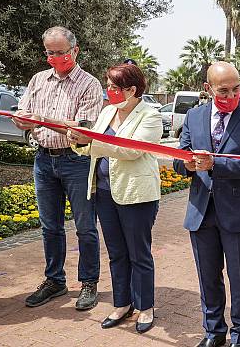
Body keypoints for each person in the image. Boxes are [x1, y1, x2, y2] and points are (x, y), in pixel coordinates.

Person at [173, 61, 240, 347]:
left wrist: (215, 163)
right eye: (223, 91)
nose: (230, 96)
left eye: (236, 89)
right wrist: (187, 165)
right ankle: (213, 333)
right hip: (201, 212)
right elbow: (179, 159)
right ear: (208, 89)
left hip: (238, 212)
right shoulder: (194, 116)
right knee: (208, 278)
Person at [67, 63, 162, 333]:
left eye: (113, 87)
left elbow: (131, 151)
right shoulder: (108, 111)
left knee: (138, 253)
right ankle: (122, 303)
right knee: (117, 253)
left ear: (132, 90)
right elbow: (95, 149)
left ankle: (145, 307)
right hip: (105, 192)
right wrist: (80, 142)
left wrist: (90, 140)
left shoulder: (150, 116)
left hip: (136, 195)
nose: (108, 91)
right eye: (107, 85)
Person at [13, 26, 103, 310]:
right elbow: (24, 113)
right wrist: (21, 119)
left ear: (75, 51)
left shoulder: (89, 84)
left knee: (85, 226)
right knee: (49, 226)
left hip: (76, 160)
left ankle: (88, 283)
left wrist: (41, 118)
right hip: (43, 159)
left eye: (60, 52)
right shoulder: (38, 79)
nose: (54, 58)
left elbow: (85, 128)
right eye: (49, 53)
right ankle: (55, 280)